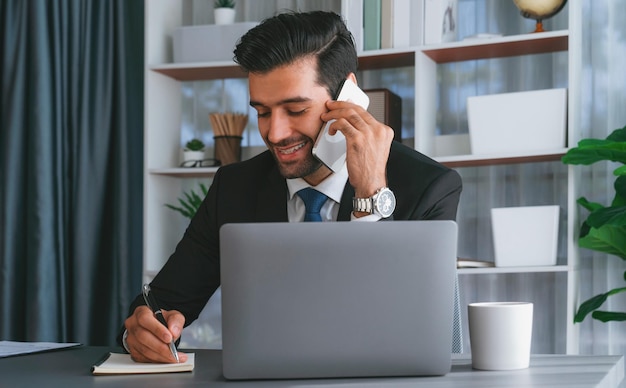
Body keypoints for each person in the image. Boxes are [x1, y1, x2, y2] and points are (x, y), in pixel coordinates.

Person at [120, 10, 462, 363]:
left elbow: (408, 331)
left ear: (348, 95)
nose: (274, 133)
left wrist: (370, 196)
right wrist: (142, 333)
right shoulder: (235, 188)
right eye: (263, 111)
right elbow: (156, 306)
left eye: (296, 109)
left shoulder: (428, 187)